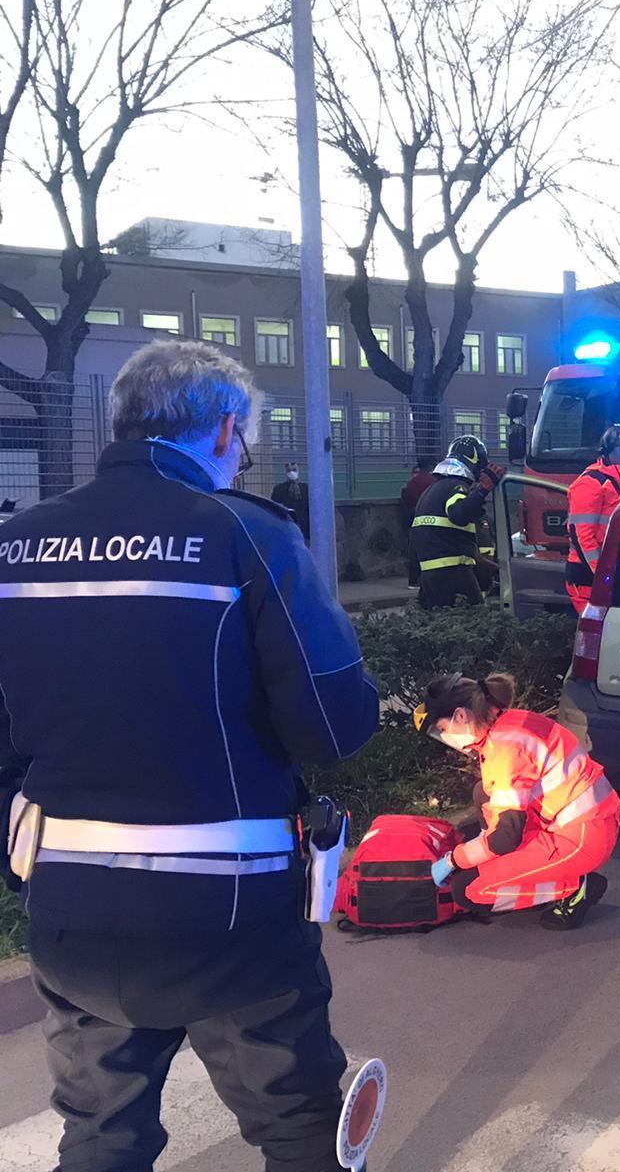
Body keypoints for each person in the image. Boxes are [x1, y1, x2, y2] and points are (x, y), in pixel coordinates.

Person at [0, 339, 379, 1172]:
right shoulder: (246, 534)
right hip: (233, 922)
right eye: (243, 441)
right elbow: (333, 724)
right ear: (222, 430)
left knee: (101, 1139)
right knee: (301, 1131)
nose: (242, 457)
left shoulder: (16, 545)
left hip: (71, 914)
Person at [412, 672, 617, 928]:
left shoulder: (505, 750)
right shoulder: (510, 723)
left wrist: (454, 859)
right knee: (482, 793)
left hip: (581, 839)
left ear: (461, 716)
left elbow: (504, 838)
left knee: (469, 890)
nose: (445, 737)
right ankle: (528, 871)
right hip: (589, 820)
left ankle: (575, 887)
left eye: (442, 729)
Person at [566, 421, 620, 613]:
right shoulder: (590, 484)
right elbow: (583, 539)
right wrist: (603, 578)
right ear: (618, 450)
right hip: (588, 581)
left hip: (612, 576)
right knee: (598, 636)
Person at [411, 435, 505, 610]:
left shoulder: (434, 489)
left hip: (432, 575)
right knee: (474, 621)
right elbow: (458, 514)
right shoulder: (456, 486)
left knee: (439, 626)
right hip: (452, 573)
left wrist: (490, 568)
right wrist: (482, 490)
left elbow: (448, 536)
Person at [399, 459, 433, 587]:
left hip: (411, 519)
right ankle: (423, 580)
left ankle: (413, 581)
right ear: (430, 467)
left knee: (413, 551)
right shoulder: (431, 481)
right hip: (427, 520)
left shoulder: (412, 481)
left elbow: (406, 497)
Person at [270, 461, 310, 541]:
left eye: (294, 470)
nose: (291, 472)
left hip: (304, 527)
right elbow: (274, 508)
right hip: (287, 526)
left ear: (298, 471)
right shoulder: (279, 489)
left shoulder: (306, 488)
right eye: (289, 470)